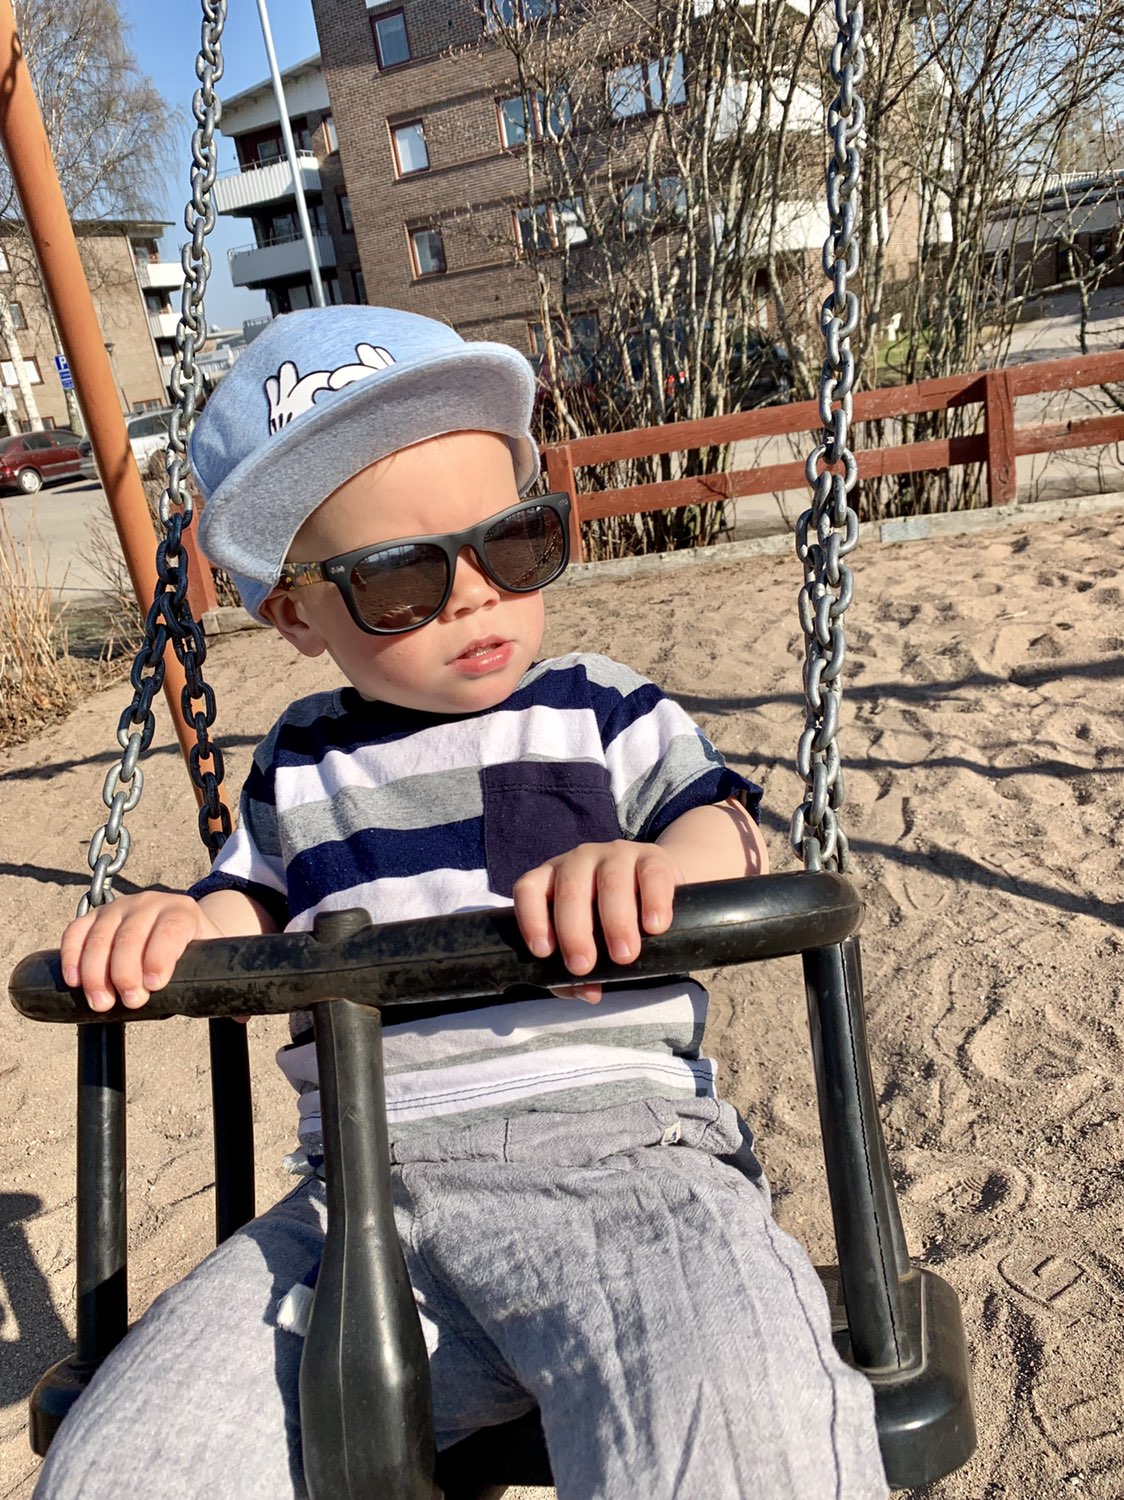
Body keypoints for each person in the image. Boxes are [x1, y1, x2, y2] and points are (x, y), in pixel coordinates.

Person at [39, 306, 888, 1500]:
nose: (476, 596)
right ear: (295, 614)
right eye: (401, 576)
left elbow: (729, 832)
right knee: (129, 1463)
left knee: (739, 1429)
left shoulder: (601, 708)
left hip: (624, 1172)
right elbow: (246, 915)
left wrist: (653, 865)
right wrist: (175, 925)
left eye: (513, 543)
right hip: (351, 1212)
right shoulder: (299, 764)